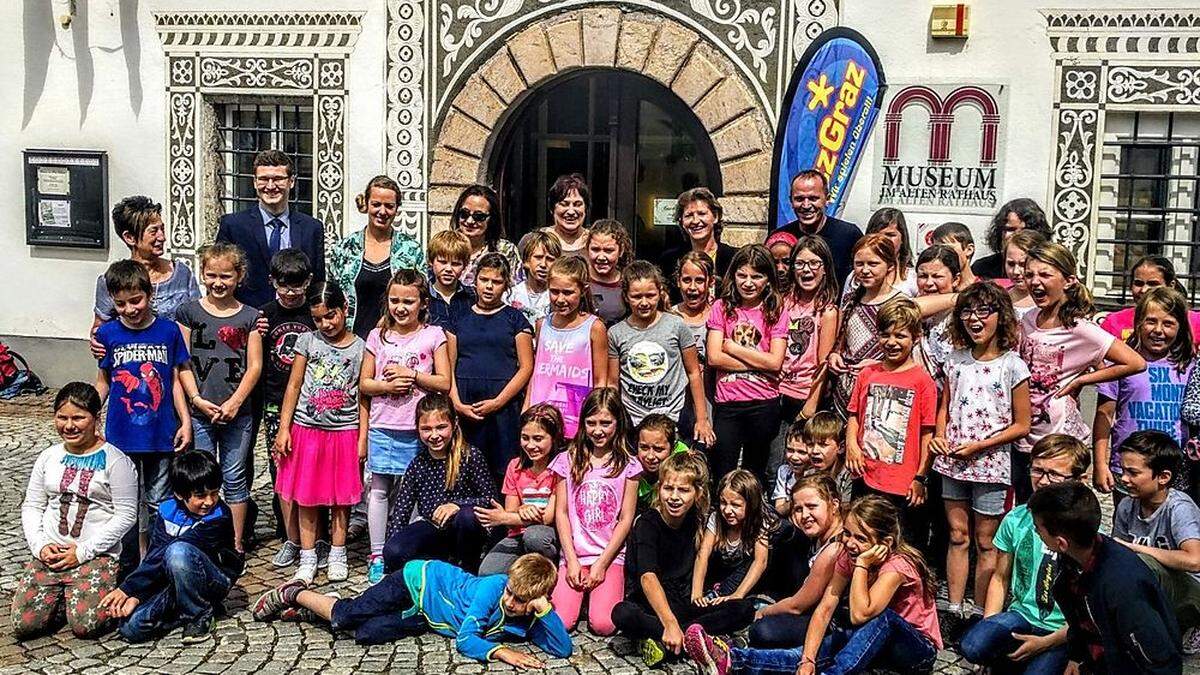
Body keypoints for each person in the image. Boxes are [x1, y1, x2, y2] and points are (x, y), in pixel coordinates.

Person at [685, 495, 942, 675]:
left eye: (860, 538)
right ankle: (732, 660)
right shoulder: (847, 553)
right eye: (847, 534)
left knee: (883, 618)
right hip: (868, 638)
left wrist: (862, 564)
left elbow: (861, 613)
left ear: (884, 543)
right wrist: (808, 660)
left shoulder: (897, 565)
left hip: (914, 649)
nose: (850, 543)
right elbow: (825, 607)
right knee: (807, 653)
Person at [252, 553, 572, 667]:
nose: (509, 602)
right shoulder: (493, 589)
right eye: (510, 593)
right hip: (416, 581)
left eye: (520, 601)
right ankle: (296, 593)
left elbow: (562, 648)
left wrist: (544, 612)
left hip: (425, 615)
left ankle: (313, 612)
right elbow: (466, 639)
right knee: (345, 616)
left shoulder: (529, 615)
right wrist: (503, 652)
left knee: (365, 634)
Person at [1017, 241, 1146, 503]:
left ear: (1068, 280)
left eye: (1044, 274)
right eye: (1029, 274)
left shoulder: (1079, 328)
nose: (1035, 281)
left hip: (1060, 438)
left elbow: (1134, 362)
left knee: (1057, 513)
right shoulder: (1027, 318)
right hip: (1025, 434)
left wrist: (1083, 379)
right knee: (1026, 510)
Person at [934, 282, 1031, 617]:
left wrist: (981, 445)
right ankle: (954, 607)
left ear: (999, 316)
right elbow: (944, 407)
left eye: (982, 312)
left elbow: (1022, 424)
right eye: (967, 311)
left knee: (986, 541)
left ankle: (980, 610)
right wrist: (939, 435)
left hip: (990, 463)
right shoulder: (955, 360)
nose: (974, 319)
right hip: (953, 463)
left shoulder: (1012, 365)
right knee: (958, 535)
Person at [11, 383, 137, 639]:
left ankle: (83, 595)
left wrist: (82, 552)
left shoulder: (116, 461)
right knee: (25, 625)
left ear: (95, 419)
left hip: (94, 554)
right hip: (52, 552)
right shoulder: (48, 457)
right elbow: (33, 505)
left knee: (86, 626)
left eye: (78, 418)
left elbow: (126, 515)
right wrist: (40, 546)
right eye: (62, 417)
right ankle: (59, 600)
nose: (69, 426)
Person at [959, 433, 1088, 675]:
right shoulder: (1016, 519)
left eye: (1055, 474)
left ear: (1079, 480)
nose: (1044, 481)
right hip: (1023, 615)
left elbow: (1091, 610)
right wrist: (991, 624)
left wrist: (1046, 644)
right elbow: (1000, 578)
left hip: (1064, 630)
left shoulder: (1086, 530)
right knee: (973, 645)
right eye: (1037, 470)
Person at [613, 452, 756, 666]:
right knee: (622, 613)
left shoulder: (697, 519)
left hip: (685, 604)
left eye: (683, 490)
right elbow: (648, 578)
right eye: (668, 488)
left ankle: (672, 641)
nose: (674, 497)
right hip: (652, 604)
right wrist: (669, 623)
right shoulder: (648, 524)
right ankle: (691, 639)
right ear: (659, 488)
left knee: (743, 609)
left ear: (697, 493)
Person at [1029, 480, 1181, 674]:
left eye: (1038, 529)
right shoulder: (1072, 560)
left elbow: (1160, 660)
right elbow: (1080, 621)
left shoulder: (1123, 585)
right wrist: (1077, 658)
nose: (1037, 534)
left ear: (1061, 542)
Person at [94, 260, 191, 555]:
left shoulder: (168, 331)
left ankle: (157, 559)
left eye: (136, 300)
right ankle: (126, 562)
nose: (130, 309)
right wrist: (89, 413)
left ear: (149, 294)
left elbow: (175, 380)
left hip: (160, 435)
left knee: (158, 501)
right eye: (121, 304)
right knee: (124, 502)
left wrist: (184, 421)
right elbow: (104, 381)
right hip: (121, 435)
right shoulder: (108, 335)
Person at [360, 269, 451, 584]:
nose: (401, 307)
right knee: (379, 490)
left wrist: (413, 377)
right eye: (395, 300)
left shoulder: (433, 335)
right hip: (384, 424)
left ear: (422, 303)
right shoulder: (377, 336)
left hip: (418, 428)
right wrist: (387, 387)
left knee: (415, 493)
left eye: (408, 301)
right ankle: (377, 552)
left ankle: (411, 551)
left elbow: (443, 380)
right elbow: (365, 383)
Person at [272, 281, 365, 584]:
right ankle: (308, 555)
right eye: (318, 319)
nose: (325, 324)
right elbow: (294, 386)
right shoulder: (307, 342)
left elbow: (364, 396)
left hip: (344, 430)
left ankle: (338, 552)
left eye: (331, 316)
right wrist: (284, 428)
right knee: (306, 496)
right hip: (307, 429)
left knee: (341, 498)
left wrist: (363, 437)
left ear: (345, 310)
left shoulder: (360, 347)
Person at [101, 450, 244, 644]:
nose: (209, 501)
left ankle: (199, 615)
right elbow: (155, 555)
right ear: (179, 494)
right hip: (171, 578)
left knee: (178, 551)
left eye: (214, 493)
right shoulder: (166, 510)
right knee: (131, 628)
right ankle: (186, 607)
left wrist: (129, 589)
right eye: (200, 496)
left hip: (214, 578)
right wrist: (137, 594)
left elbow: (173, 551)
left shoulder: (219, 516)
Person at [175, 243, 262, 555]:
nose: (218, 282)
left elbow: (254, 366)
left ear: (238, 276)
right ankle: (203, 537)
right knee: (201, 477)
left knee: (235, 476)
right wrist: (196, 400)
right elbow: (182, 362)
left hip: (238, 413)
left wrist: (235, 402)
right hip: (201, 412)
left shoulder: (250, 317)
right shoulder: (188, 312)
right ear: (202, 274)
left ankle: (235, 543)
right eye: (211, 275)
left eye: (226, 276)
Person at [845, 297, 937, 550]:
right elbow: (854, 414)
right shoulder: (868, 374)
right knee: (864, 536)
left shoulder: (922, 381)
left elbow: (927, 433)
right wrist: (851, 445)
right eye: (885, 335)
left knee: (902, 544)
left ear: (915, 337)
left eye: (900, 336)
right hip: (866, 473)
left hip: (903, 481)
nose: (892, 342)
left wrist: (920, 476)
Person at [550, 388, 642, 636]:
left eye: (605, 423)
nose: (598, 431)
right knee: (561, 622)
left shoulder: (629, 465)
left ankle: (596, 597)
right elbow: (561, 513)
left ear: (618, 423)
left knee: (604, 625)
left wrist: (602, 564)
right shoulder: (567, 460)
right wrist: (570, 560)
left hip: (609, 555)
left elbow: (626, 518)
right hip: (575, 555)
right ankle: (579, 599)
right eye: (591, 423)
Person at [1095, 287, 1194, 499]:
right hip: (1129, 469)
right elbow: (1104, 416)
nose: (1158, 330)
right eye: (1151, 321)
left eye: (1168, 324)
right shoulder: (1121, 364)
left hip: (1175, 470)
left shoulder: (1189, 367)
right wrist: (1100, 464)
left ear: (1180, 327)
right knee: (1126, 525)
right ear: (1138, 323)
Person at [382, 393, 495, 574]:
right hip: (433, 528)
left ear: (454, 424)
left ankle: (467, 572)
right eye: (426, 429)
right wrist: (392, 547)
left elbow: (490, 499)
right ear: (418, 429)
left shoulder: (470, 456)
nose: (434, 435)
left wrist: (457, 505)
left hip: (466, 531)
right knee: (394, 550)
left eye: (441, 427)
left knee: (466, 517)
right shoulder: (418, 464)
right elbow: (401, 511)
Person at [706, 245, 788, 488]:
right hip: (728, 403)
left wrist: (733, 348)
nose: (748, 283)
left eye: (757, 276)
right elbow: (714, 357)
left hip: (763, 402)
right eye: (742, 275)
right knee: (723, 471)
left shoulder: (776, 310)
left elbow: (776, 361)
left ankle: (753, 522)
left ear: (768, 280)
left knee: (755, 473)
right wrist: (759, 363)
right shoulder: (721, 307)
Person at [446, 253, 534, 479]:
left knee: (503, 469)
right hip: (466, 407)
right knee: (464, 468)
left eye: (496, 282)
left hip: (503, 409)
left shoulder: (515, 319)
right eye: (484, 280)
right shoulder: (458, 318)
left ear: (506, 285)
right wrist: (456, 403)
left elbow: (526, 367)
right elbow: (449, 365)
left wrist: (498, 402)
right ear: (475, 281)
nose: (489, 287)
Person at [1112, 430, 1200, 651]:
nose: (1124, 479)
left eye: (1133, 473)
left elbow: (1195, 560)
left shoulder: (1179, 508)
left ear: (1163, 477)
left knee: (1143, 563)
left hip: (1191, 592)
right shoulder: (1126, 506)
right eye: (1123, 471)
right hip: (1152, 592)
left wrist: (1135, 549)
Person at [609, 261, 712, 444]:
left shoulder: (677, 326)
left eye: (650, 295)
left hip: (674, 416)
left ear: (660, 292)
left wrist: (702, 419)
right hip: (634, 419)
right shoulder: (616, 333)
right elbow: (613, 383)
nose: (644, 302)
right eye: (636, 296)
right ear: (625, 296)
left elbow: (694, 373)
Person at [215, 149, 326, 308]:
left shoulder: (312, 228)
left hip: (297, 321)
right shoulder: (233, 226)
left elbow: (317, 283)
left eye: (278, 179)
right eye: (264, 179)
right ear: (254, 182)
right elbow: (222, 276)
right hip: (248, 319)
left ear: (291, 181)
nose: (270, 186)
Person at [259, 249, 315, 564]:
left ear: (308, 282)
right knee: (281, 469)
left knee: (310, 471)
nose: (291, 294)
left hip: (311, 407)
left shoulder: (314, 313)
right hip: (275, 403)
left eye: (297, 286)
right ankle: (288, 534)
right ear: (272, 282)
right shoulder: (265, 315)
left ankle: (312, 535)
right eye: (284, 287)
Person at [773, 236, 840, 480]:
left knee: (799, 463)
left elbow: (824, 363)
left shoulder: (828, 310)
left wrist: (811, 404)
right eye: (800, 263)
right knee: (775, 463)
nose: (807, 270)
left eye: (814, 263)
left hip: (803, 395)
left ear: (824, 268)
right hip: (775, 391)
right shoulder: (783, 301)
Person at [751, 474, 844, 649]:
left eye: (812, 507)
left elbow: (797, 606)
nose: (804, 515)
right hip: (809, 609)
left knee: (762, 630)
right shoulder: (818, 537)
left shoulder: (834, 548)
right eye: (798, 509)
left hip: (832, 625)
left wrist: (763, 612)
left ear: (835, 504)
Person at [92, 196, 200, 347]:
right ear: (130, 237)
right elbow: (100, 328)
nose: (162, 237)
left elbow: (198, 320)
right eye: (153, 231)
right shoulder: (112, 280)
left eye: (162, 229)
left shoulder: (182, 274)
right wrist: (96, 342)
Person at [329, 175, 424, 338]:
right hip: (351, 342)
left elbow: (422, 297)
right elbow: (331, 298)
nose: (382, 211)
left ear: (397, 209)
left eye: (389, 206)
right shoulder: (344, 249)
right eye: (376, 204)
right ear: (366, 204)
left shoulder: (411, 250)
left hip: (397, 342)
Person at [476, 404, 564, 576]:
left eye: (538, 439)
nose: (530, 445)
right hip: (517, 533)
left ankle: (548, 573)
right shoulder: (515, 466)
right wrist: (519, 511)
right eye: (525, 438)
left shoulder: (559, 468)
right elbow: (511, 513)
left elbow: (547, 518)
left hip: (547, 535)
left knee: (534, 537)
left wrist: (502, 517)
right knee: (487, 572)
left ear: (553, 438)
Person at [525, 255, 607, 437]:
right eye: (554, 291)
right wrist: (526, 409)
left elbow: (601, 380)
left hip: (576, 418)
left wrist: (596, 419)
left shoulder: (594, 327)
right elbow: (536, 372)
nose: (560, 299)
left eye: (568, 292)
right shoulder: (542, 325)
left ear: (583, 290)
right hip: (541, 416)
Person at [692, 470, 771, 604]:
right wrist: (696, 594)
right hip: (720, 571)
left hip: (741, 577)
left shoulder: (759, 521)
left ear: (751, 504)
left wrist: (738, 595)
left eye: (735, 505)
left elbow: (760, 562)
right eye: (723, 503)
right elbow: (702, 555)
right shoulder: (716, 518)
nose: (727, 511)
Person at [775, 170, 864, 285]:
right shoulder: (780, 239)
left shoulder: (849, 236)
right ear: (791, 201)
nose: (806, 205)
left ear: (827, 199)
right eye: (799, 199)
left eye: (813, 198)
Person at [1099, 255, 1200, 343]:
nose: (1144, 290)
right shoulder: (1113, 322)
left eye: (1153, 284)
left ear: (1171, 285)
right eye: (1138, 283)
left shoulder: (1195, 322)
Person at [662, 187, 737, 302]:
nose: (695, 221)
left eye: (702, 213)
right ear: (681, 222)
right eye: (689, 215)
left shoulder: (734, 258)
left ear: (715, 216)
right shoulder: (669, 260)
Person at [673, 251, 717, 445]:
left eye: (699, 281)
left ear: (710, 282)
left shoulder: (719, 315)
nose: (692, 288)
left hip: (711, 399)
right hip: (678, 402)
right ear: (678, 281)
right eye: (686, 280)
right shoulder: (669, 316)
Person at [450, 184, 522, 288]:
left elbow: (516, 292)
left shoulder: (506, 250)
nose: (470, 221)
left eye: (479, 216)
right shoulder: (444, 246)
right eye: (464, 214)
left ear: (492, 219)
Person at [841, 208, 917, 300]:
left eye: (890, 235)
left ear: (902, 238)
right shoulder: (854, 277)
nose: (883, 240)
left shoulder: (913, 279)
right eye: (876, 235)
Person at [914, 244, 963, 383]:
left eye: (937, 276)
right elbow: (911, 308)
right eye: (923, 276)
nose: (929, 283)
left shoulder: (964, 315)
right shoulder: (910, 309)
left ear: (956, 280)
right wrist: (958, 298)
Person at [972, 198, 1051, 282]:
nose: (1009, 235)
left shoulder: (1050, 268)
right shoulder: (982, 268)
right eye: (1008, 229)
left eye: (1017, 230)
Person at [634, 414, 689, 508]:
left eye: (658, 449)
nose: (650, 456)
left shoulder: (683, 456)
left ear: (673, 448)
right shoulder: (631, 469)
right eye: (644, 447)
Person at [507, 230, 561, 327]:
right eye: (538, 257)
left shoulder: (559, 296)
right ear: (526, 261)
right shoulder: (510, 295)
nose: (543, 264)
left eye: (550, 259)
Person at [426, 229, 476, 329]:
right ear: (431, 261)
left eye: (456, 264)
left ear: (465, 265)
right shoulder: (422, 296)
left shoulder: (473, 296)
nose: (448, 269)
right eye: (442, 262)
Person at [587, 219, 632, 325]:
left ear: (620, 251)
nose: (601, 257)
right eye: (595, 249)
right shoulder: (578, 279)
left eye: (608, 250)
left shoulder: (628, 283)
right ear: (587, 248)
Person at [802, 411, 853, 502]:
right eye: (810, 444)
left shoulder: (847, 477)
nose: (814, 451)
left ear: (841, 447)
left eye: (823, 445)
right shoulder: (808, 474)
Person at [543, 173, 591, 257]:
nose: (571, 212)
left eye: (577, 204)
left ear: (586, 208)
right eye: (564, 204)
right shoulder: (533, 241)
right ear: (552, 208)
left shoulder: (596, 244)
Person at [1004, 229, 1046, 320]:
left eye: (1022, 264)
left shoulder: (1050, 301)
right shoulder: (999, 300)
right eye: (1011, 264)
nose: (1016, 271)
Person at [773, 422, 810, 516]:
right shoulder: (784, 472)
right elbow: (779, 509)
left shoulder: (816, 475)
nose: (794, 457)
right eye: (790, 450)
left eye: (802, 452)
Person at [931, 221, 978, 288]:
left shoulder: (988, 289)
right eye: (936, 249)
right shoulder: (932, 288)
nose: (941, 254)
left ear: (969, 250)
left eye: (948, 248)